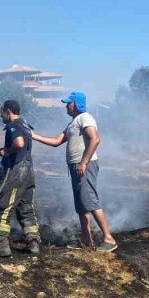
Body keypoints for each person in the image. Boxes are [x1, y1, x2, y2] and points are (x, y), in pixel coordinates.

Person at [31, 91, 118, 252]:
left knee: (90, 201)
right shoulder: (73, 123)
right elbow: (57, 141)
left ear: (76, 104)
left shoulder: (85, 117)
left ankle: (109, 239)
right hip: (76, 166)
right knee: (81, 205)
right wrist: (34, 136)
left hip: (84, 165)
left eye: (68, 103)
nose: (66, 106)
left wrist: (83, 162)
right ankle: (86, 242)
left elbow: (95, 139)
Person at [0, 99, 41, 257]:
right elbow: (18, 147)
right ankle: (33, 243)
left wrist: (7, 152)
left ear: (8, 111)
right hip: (28, 172)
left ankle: (2, 246)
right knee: (26, 209)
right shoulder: (25, 125)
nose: (1, 116)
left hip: (15, 173)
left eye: (1, 112)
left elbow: (18, 144)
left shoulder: (13, 125)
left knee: (2, 207)